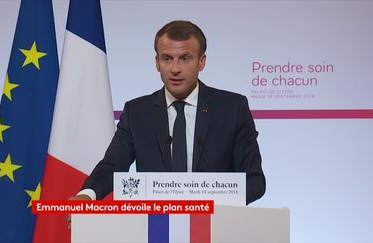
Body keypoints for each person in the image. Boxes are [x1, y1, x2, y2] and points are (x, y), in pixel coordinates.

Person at [69, 20, 265, 205]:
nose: (175, 69)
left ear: (201, 61)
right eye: (167, 59)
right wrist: (87, 195)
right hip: (154, 229)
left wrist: (207, 203)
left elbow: (255, 181)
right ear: (157, 63)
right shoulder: (137, 112)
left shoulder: (232, 108)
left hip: (214, 229)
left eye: (185, 58)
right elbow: (111, 167)